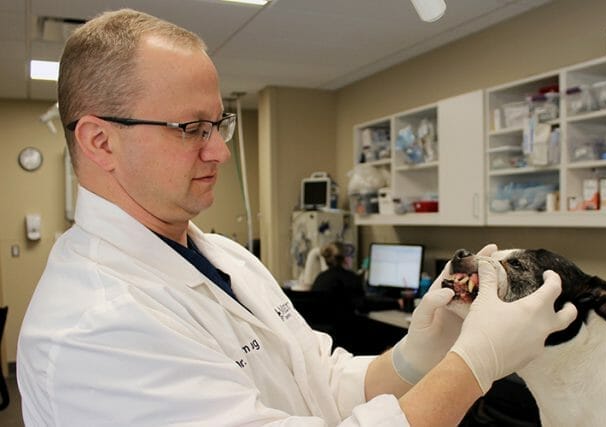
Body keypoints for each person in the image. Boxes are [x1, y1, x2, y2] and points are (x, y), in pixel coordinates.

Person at [16, 9, 577, 426]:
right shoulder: (93, 329)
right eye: (191, 129)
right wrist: (475, 362)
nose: (219, 151)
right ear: (99, 141)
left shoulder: (225, 259)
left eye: (219, 123)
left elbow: (324, 385)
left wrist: (422, 347)